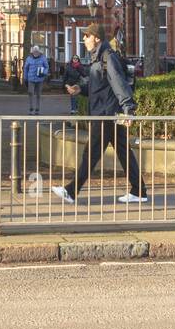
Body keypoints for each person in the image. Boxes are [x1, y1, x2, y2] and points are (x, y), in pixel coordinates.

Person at [54, 24, 149, 204]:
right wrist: (80, 89)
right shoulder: (98, 58)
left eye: (87, 36)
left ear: (97, 38)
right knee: (124, 152)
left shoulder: (108, 58)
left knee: (91, 154)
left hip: (106, 114)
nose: (84, 39)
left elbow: (119, 84)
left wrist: (129, 109)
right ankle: (139, 191)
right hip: (108, 113)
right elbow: (99, 86)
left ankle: (71, 191)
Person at [22, 45, 49, 115]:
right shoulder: (29, 58)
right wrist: (25, 78)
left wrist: (44, 72)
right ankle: (31, 108)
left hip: (39, 79)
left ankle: (37, 109)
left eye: (37, 51)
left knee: (38, 94)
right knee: (30, 93)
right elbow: (26, 68)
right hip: (30, 78)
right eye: (34, 51)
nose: (35, 53)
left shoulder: (43, 58)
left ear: (39, 52)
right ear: (32, 52)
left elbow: (46, 67)